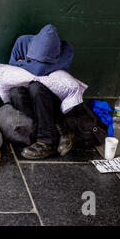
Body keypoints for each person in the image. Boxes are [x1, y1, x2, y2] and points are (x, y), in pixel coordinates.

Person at [8, 24, 74, 159]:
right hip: (28, 96)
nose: (37, 62)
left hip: (50, 97)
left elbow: (39, 71)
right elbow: (10, 69)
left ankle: (46, 142)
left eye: (43, 61)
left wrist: (24, 63)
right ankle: (55, 130)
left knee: (36, 87)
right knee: (15, 93)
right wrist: (38, 66)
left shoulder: (67, 50)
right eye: (34, 58)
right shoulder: (22, 42)